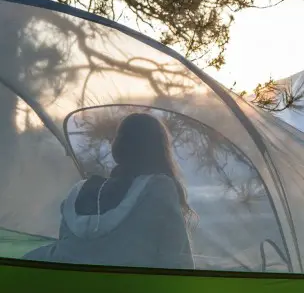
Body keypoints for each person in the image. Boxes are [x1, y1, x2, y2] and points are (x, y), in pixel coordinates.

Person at [23, 112, 196, 270]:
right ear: (158, 149)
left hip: (67, 283)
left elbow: (67, 244)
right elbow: (178, 258)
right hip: (131, 287)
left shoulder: (78, 191)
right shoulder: (159, 188)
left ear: (117, 147)